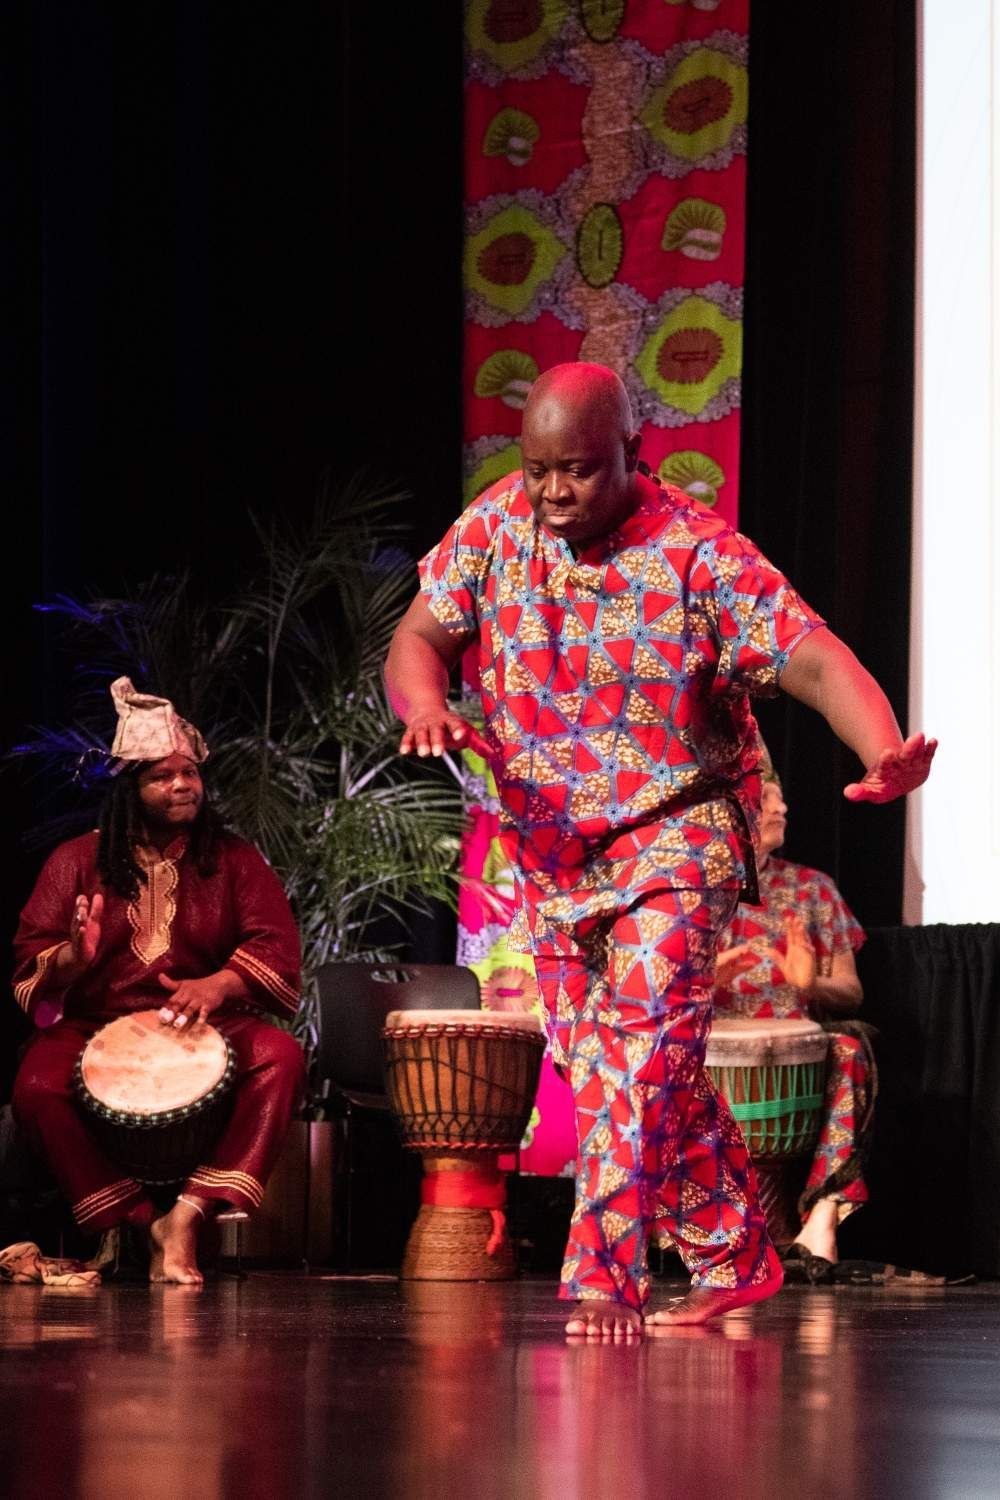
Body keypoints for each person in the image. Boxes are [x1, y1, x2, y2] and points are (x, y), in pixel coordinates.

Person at [384, 362, 935, 1338]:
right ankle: (736, 1253)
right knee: (609, 1072)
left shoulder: (699, 554)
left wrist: (878, 745)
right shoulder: (494, 527)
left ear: (632, 455)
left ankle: (601, 1280)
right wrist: (425, 702)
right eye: (540, 468)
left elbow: (811, 657)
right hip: (549, 850)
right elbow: (418, 639)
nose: (554, 492)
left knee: (642, 1056)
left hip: (679, 829)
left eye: (580, 471)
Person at [10, 677, 305, 1285]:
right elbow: (30, 962)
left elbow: (275, 944)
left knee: (280, 1056)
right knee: (36, 1087)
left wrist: (219, 984)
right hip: (96, 1026)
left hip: (209, 1023)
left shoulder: (233, 859)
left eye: (189, 773)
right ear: (129, 790)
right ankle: (140, 1220)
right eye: (161, 776)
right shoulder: (74, 860)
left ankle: (190, 1215)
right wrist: (74, 957)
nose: (181, 785)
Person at [714, 766, 872, 1273]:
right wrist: (707, 979)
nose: (781, 809)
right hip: (707, 1049)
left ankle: (824, 1214)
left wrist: (810, 986)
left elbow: (851, 992)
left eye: (781, 799)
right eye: (766, 800)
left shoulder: (813, 889)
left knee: (853, 1045)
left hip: (797, 1053)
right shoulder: (691, 892)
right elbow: (643, 988)